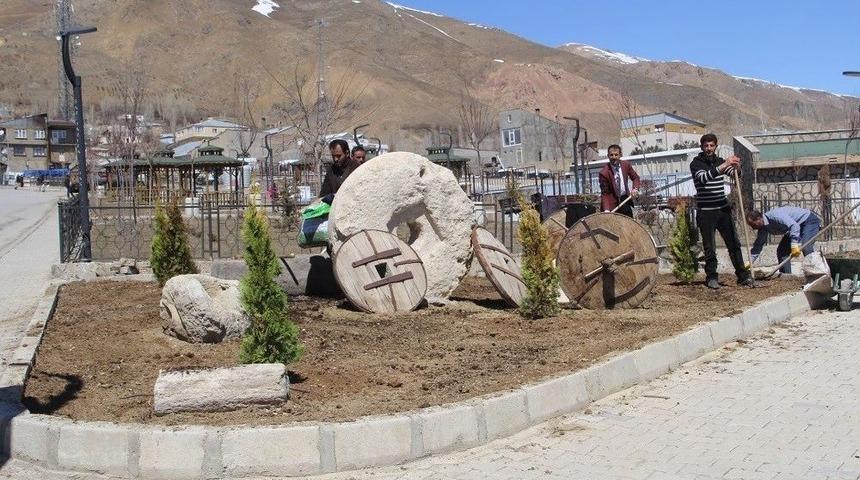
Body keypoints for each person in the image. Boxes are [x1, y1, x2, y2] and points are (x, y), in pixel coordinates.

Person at [690, 133, 752, 289]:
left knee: (734, 244)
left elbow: (735, 175)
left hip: (723, 210)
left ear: (716, 146)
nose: (709, 148)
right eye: (706, 146)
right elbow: (704, 178)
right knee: (710, 247)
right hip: (706, 211)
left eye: (712, 145)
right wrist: (724, 165)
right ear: (702, 147)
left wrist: (737, 168)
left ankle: (743, 276)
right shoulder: (696, 164)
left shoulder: (719, 162)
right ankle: (711, 277)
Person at [747, 207, 821, 274]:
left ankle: (817, 273)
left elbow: (794, 226)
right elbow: (758, 246)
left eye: (753, 225)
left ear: (759, 218)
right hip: (795, 227)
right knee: (782, 251)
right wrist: (749, 261)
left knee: (806, 247)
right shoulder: (763, 228)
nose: (753, 228)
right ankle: (787, 278)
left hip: (808, 221)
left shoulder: (775, 216)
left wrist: (794, 244)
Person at [598, 144, 640, 217]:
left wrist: (635, 189)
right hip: (611, 204)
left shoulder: (626, 165)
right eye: (611, 155)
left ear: (620, 155)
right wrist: (607, 210)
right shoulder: (604, 173)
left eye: (616, 155)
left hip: (625, 201)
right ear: (608, 156)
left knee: (628, 225)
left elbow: (635, 178)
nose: (614, 157)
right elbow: (605, 194)